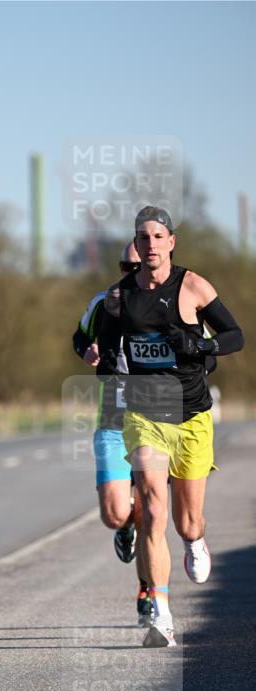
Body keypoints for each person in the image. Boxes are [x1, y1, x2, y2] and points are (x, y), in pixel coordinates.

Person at [101, 206, 244, 647]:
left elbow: (235, 336)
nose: (150, 245)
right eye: (142, 238)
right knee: (152, 505)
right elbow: (108, 352)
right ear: (137, 245)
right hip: (145, 415)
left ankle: (196, 541)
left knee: (187, 521)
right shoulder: (119, 297)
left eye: (158, 237)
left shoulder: (193, 285)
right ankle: (159, 611)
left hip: (193, 416)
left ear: (171, 242)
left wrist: (199, 344)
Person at [72, 242, 152, 626]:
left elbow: (202, 351)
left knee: (152, 509)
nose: (130, 270)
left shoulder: (170, 300)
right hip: (113, 419)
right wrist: (85, 351)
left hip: (157, 420)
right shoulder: (105, 302)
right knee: (117, 512)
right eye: (125, 264)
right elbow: (78, 336)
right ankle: (124, 527)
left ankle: (149, 592)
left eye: (136, 265)